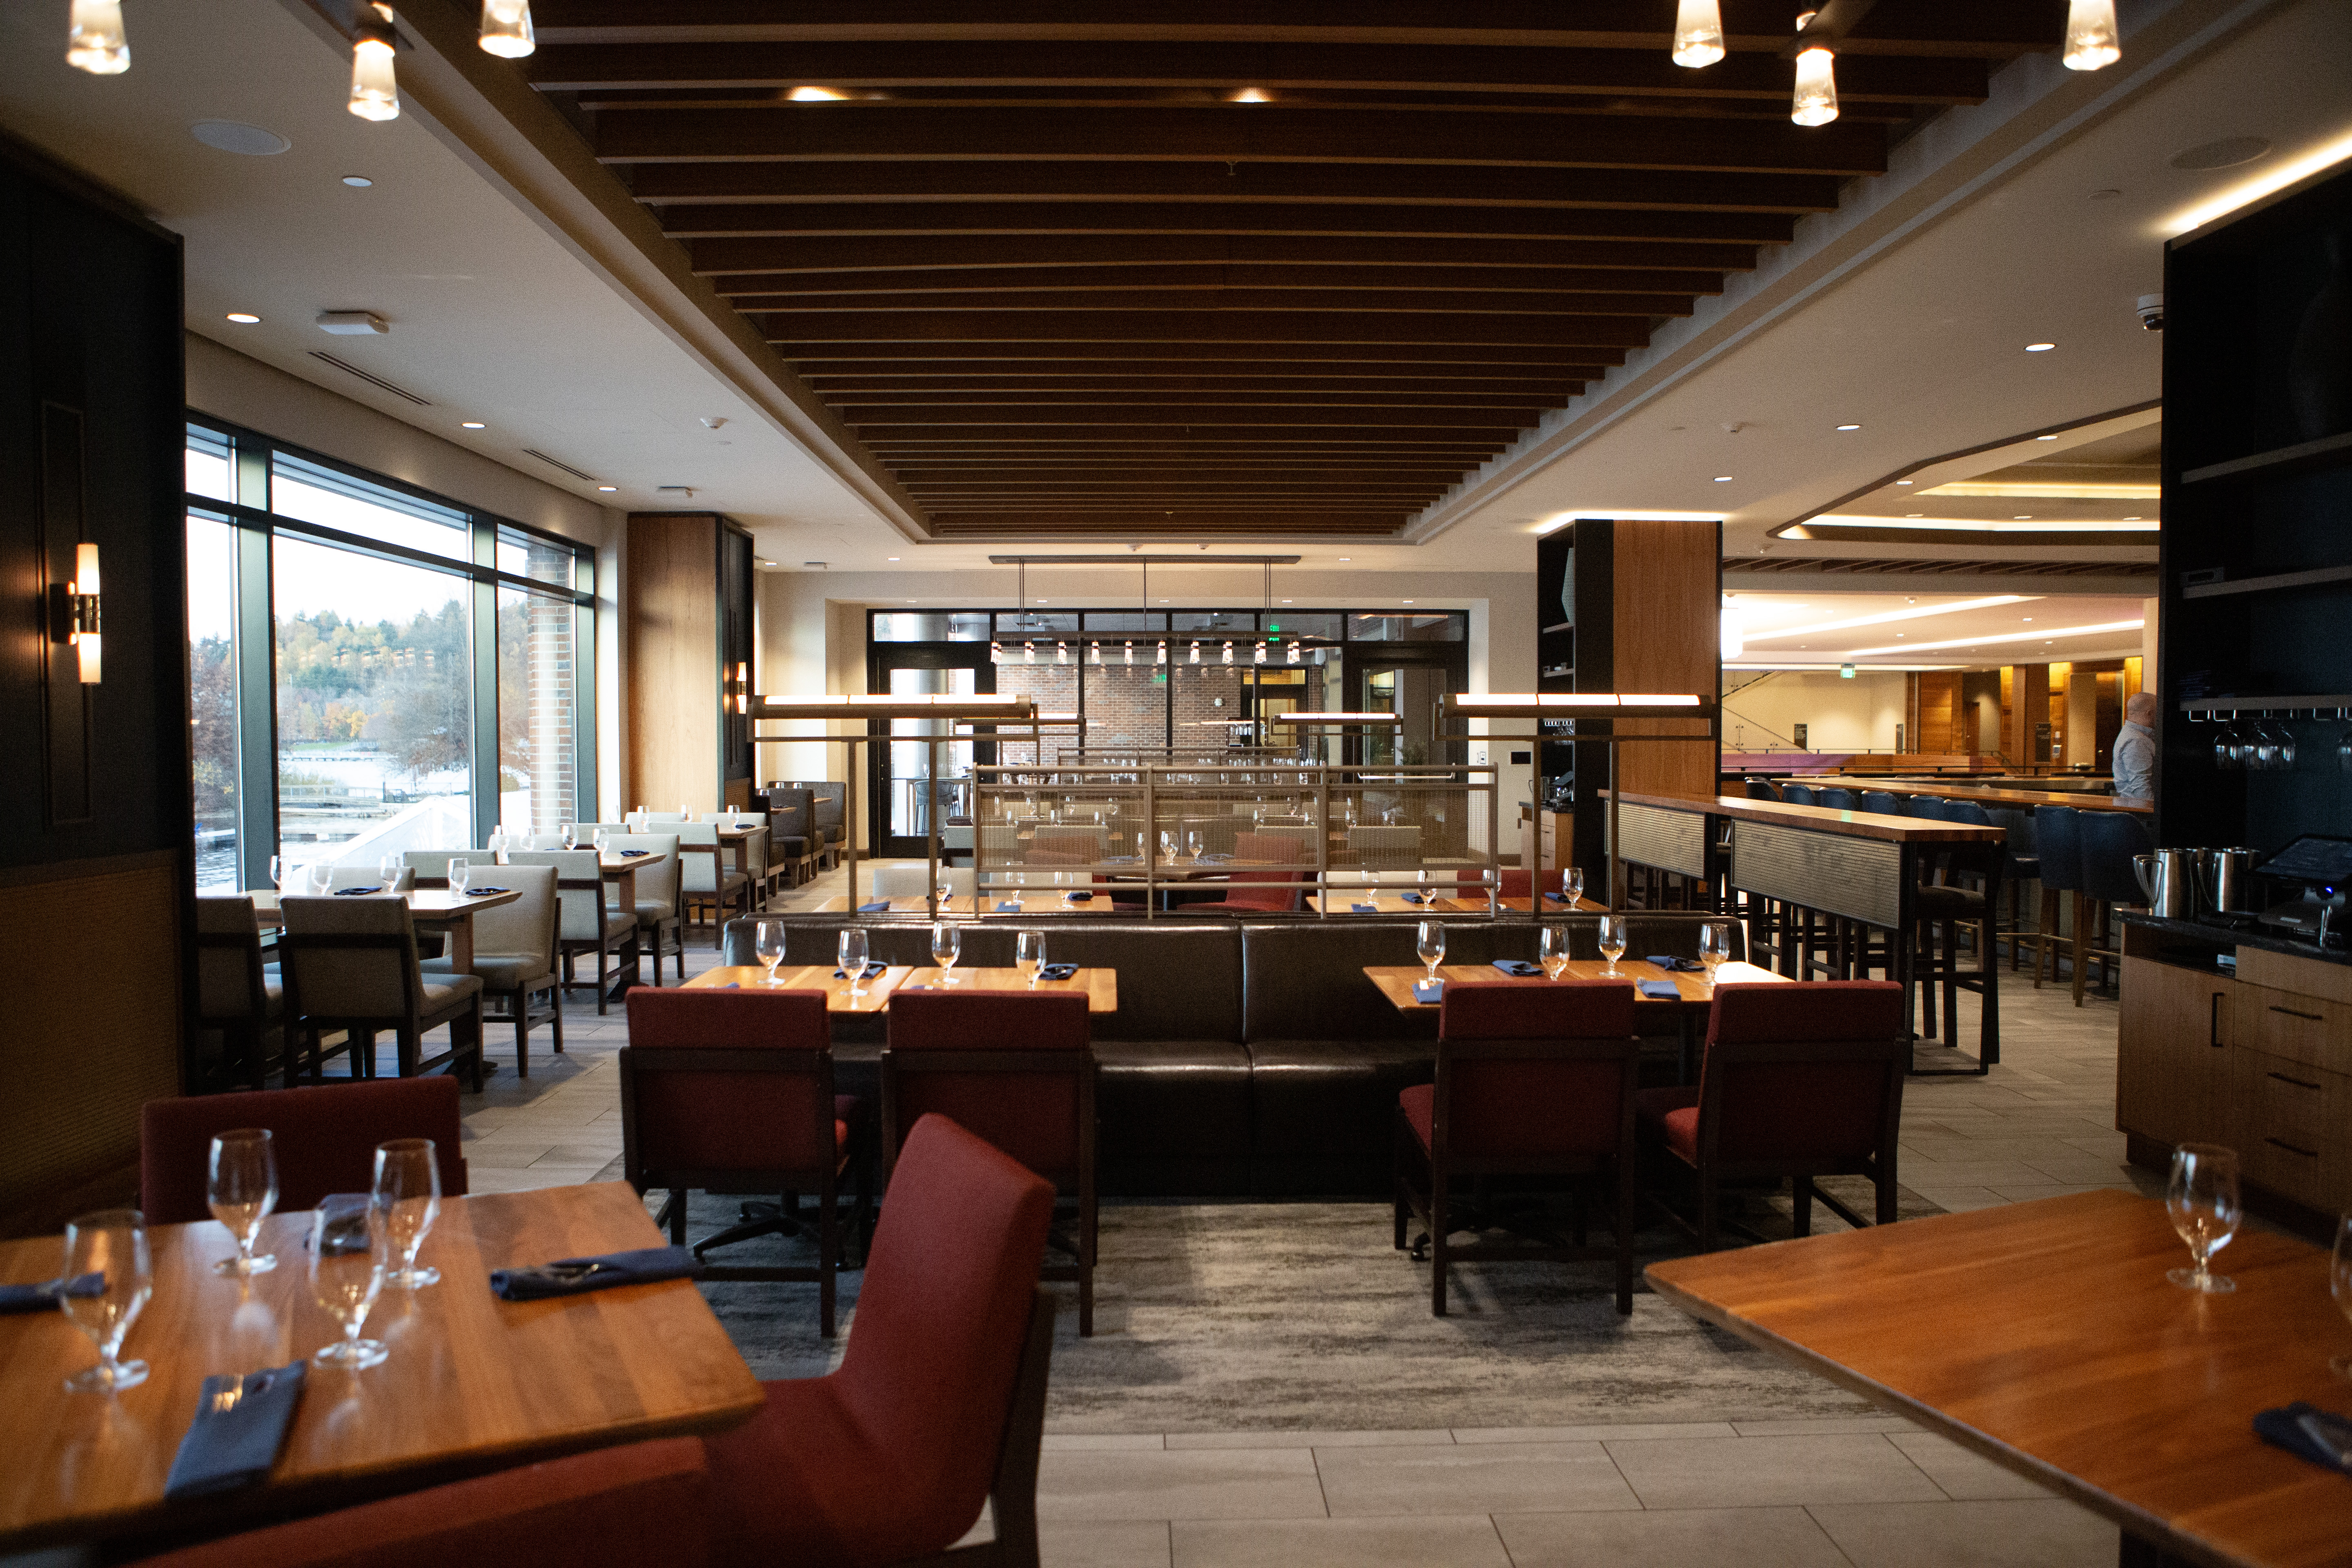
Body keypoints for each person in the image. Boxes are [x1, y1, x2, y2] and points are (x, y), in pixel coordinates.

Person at [2112, 690, 2158, 805]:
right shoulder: (2137, 741)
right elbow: (2141, 787)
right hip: (2139, 812)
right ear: (2150, 714)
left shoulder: (2129, 735)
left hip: (2131, 807)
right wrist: (2156, 813)